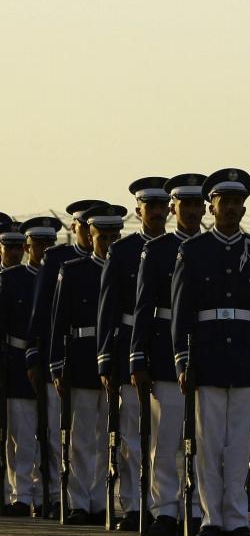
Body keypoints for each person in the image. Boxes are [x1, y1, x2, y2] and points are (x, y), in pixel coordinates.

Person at [171, 168, 250, 536]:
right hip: (209, 357)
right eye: (224, 202)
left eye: (237, 202)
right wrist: (183, 361)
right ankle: (211, 518)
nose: (231, 208)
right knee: (209, 443)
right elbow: (182, 312)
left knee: (238, 446)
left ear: (244, 210)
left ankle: (237, 517)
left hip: (246, 357)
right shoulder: (193, 250)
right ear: (210, 207)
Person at [129, 173, 206, 536]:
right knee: (166, 438)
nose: (190, 211)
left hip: (206, 356)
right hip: (163, 354)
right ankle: (165, 510)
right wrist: (138, 358)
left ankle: (196, 506)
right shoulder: (157, 250)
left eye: (196, 204)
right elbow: (143, 307)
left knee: (202, 441)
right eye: (184, 204)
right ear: (173, 207)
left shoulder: (211, 247)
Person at [25, 199, 107, 520]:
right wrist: (39, 357)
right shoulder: (58, 260)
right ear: (75, 228)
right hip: (69, 356)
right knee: (71, 437)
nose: (88, 232)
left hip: (99, 358)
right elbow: (43, 312)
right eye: (83, 226)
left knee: (102, 437)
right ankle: (70, 499)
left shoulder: (108, 261)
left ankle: (96, 500)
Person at [98, 176, 170, 531]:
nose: (156, 213)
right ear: (139, 210)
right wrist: (107, 359)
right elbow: (108, 308)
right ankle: (133, 505)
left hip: (168, 350)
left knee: (167, 436)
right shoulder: (122, 251)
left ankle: (163, 505)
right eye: (150, 207)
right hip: (130, 347)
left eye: (161, 207)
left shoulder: (178, 247)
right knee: (131, 434)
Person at [50, 203, 127, 525]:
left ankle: (101, 500)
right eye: (102, 237)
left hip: (116, 359)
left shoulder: (127, 270)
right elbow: (58, 321)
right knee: (82, 438)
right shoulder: (74, 270)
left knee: (110, 435)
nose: (107, 243)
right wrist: (56, 364)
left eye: (113, 237)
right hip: (82, 358)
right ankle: (80, 501)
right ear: (90, 235)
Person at [0, 217, 60, 516]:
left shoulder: (62, 276)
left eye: (49, 245)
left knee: (53, 436)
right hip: (18, 365)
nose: (44, 250)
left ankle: (52, 494)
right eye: (38, 245)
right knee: (20, 437)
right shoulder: (12, 279)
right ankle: (21, 495)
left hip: (52, 363)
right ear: (28, 247)